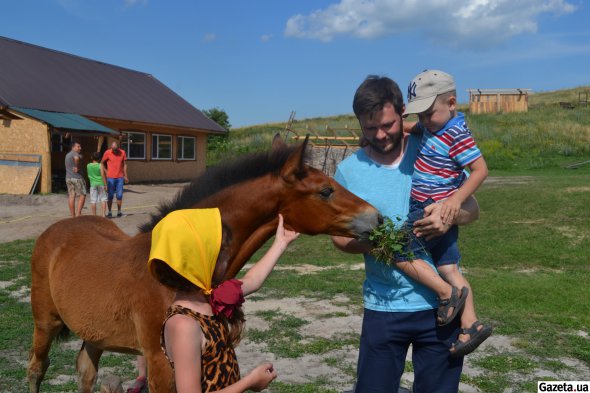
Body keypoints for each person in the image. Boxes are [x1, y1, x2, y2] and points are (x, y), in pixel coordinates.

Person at [331, 75, 480, 393]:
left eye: (387, 125)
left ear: (402, 112)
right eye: (370, 129)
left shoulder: (433, 147)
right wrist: (380, 242)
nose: (380, 135)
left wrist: (445, 217)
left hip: (442, 312)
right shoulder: (348, 172)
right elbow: (340, 239)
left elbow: (473, 209)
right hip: (384, 309)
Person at [148, 208, 299, 393]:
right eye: (220, 253)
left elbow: (253, 280)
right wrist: (250, 381)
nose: (227, 257)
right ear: (200, 259)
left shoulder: (213, 296)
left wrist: (280, 243)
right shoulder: (183, 324)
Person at [402, 69, 492, 357]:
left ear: (452, 104)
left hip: (432, 208)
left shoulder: (456, 133)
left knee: (400, 248)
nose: (423, 121)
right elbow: (412, 128)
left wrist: (455, 201)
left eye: (428, 113)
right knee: (449, 267)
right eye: (419, 115)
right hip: (433, 205)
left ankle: (446, 295)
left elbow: (480, 170)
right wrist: (379, 134)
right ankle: (471, 324)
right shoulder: (432, 127)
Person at [101, 141, 128, 218]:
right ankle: (109, 212)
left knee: (119, 195)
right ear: (111, 148)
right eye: (113, 150)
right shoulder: (107, 152)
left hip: (120, 177)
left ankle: (119, 212)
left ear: (118, 148)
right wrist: (106, 172)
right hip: (110, 178)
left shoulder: (122, 152)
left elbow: (125, 164)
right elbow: (102, 163)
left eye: (115, 150)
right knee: (110, 196)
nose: (114, 151)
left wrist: (125, 175)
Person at [65, 141, 86, 217]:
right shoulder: (75, 153)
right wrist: (77, 167)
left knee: (71, 196)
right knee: (82, 194)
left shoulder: (67, 155)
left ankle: (72, 215)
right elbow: (76, 158)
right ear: (73, 147)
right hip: (77, 178)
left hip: (68, 178)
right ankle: (78, 214)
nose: (80, 148)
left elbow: (78, 157)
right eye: (78, 146)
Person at [86, 152, 108, 217]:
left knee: (93, 200)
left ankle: (94, 216)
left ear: (92, 158)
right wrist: (105, 184)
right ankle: (103, 215)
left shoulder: (88, 165)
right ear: (100, 159)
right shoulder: (100, 165)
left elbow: (88, 174)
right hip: (101, 183)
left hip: (93, 184)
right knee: (103, 199)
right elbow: (103, 175)